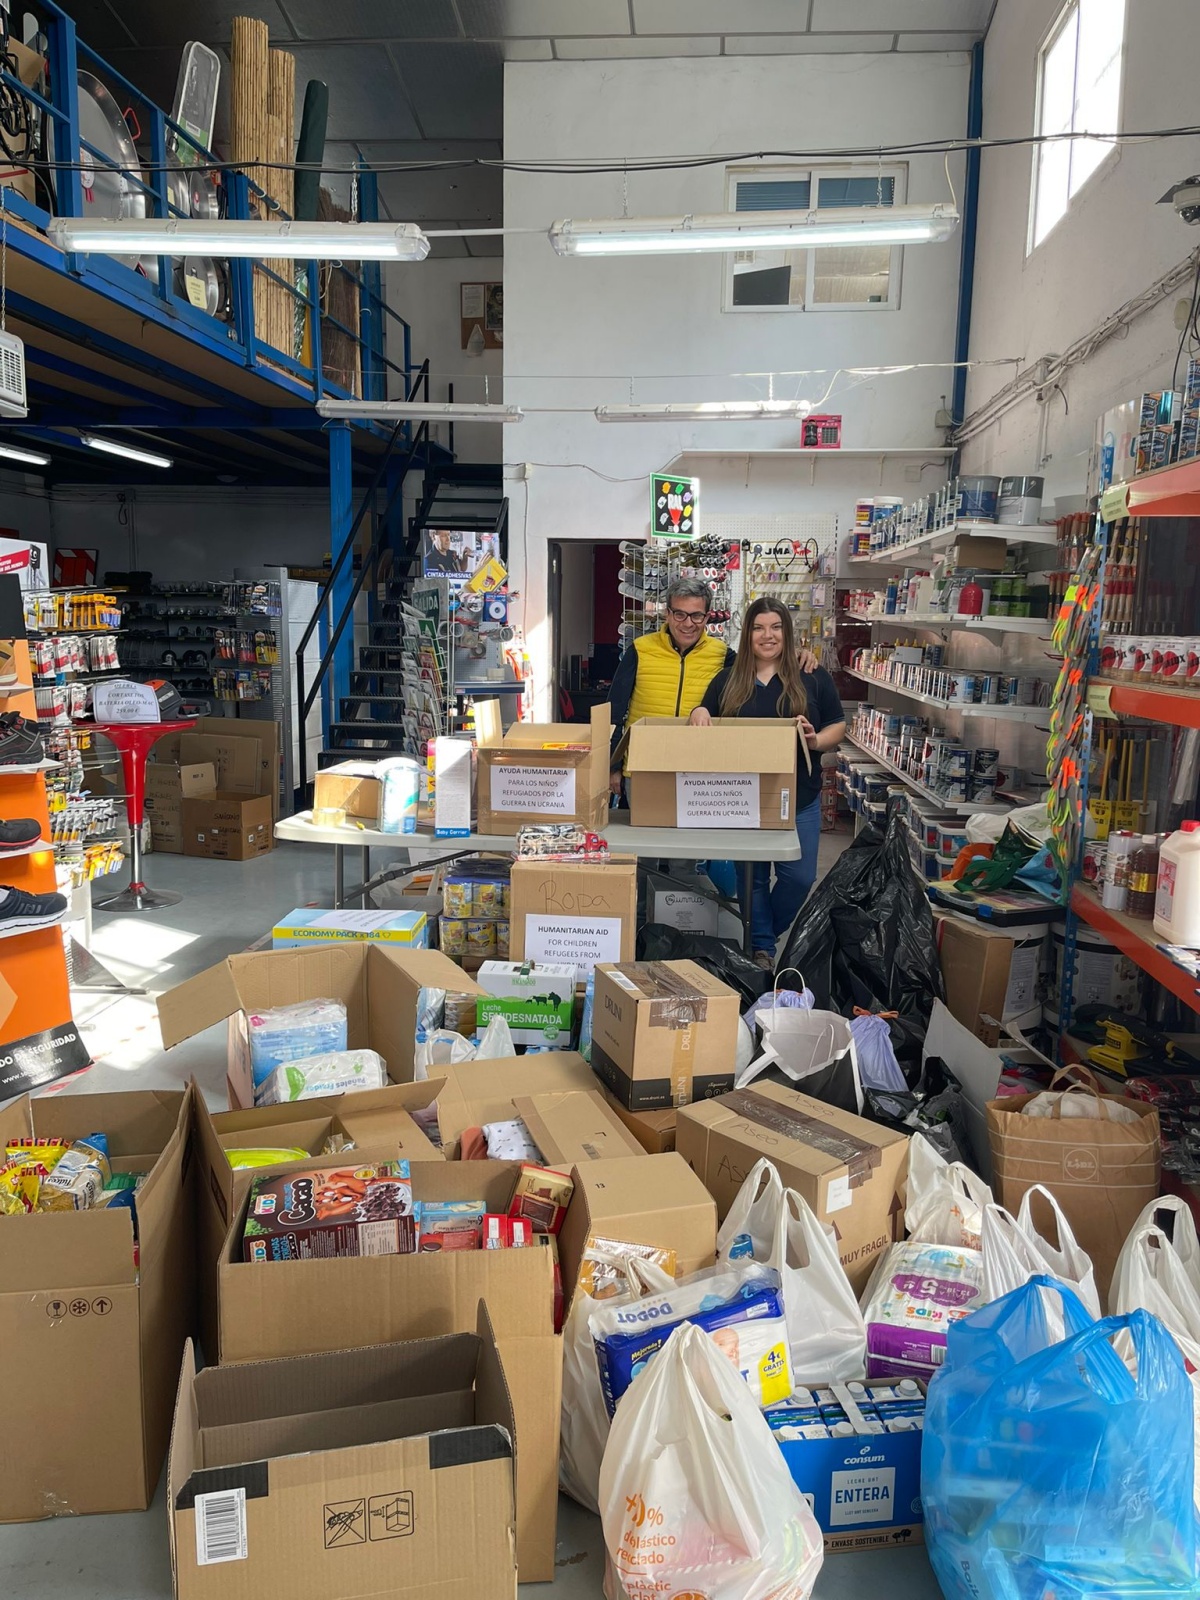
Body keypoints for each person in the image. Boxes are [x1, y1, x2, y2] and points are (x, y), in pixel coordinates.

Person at [690, 596, 845, 969]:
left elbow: (837, 726)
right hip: (744, 799)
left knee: (799, 876)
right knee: (752, 878)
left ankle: (764, 930)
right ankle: (762, 949)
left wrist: (814, 741)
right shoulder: (729, 679)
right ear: (748, 635)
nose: (768, 635)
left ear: (786, 633)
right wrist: (697, 712)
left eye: (776, 627)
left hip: (800, 796)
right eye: (759, 627)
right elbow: (704, 710)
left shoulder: (811, 675)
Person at [607, 575, 816, 795]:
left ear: (707, 617)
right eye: (679, 614)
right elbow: (614, 713)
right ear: (667, 614)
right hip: (643, 768)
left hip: (698, 773)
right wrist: (613, 766)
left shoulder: (722, 654)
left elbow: (762, 662)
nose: (688, 623)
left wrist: (796, 654)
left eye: (696, 615)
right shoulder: (640, 650)